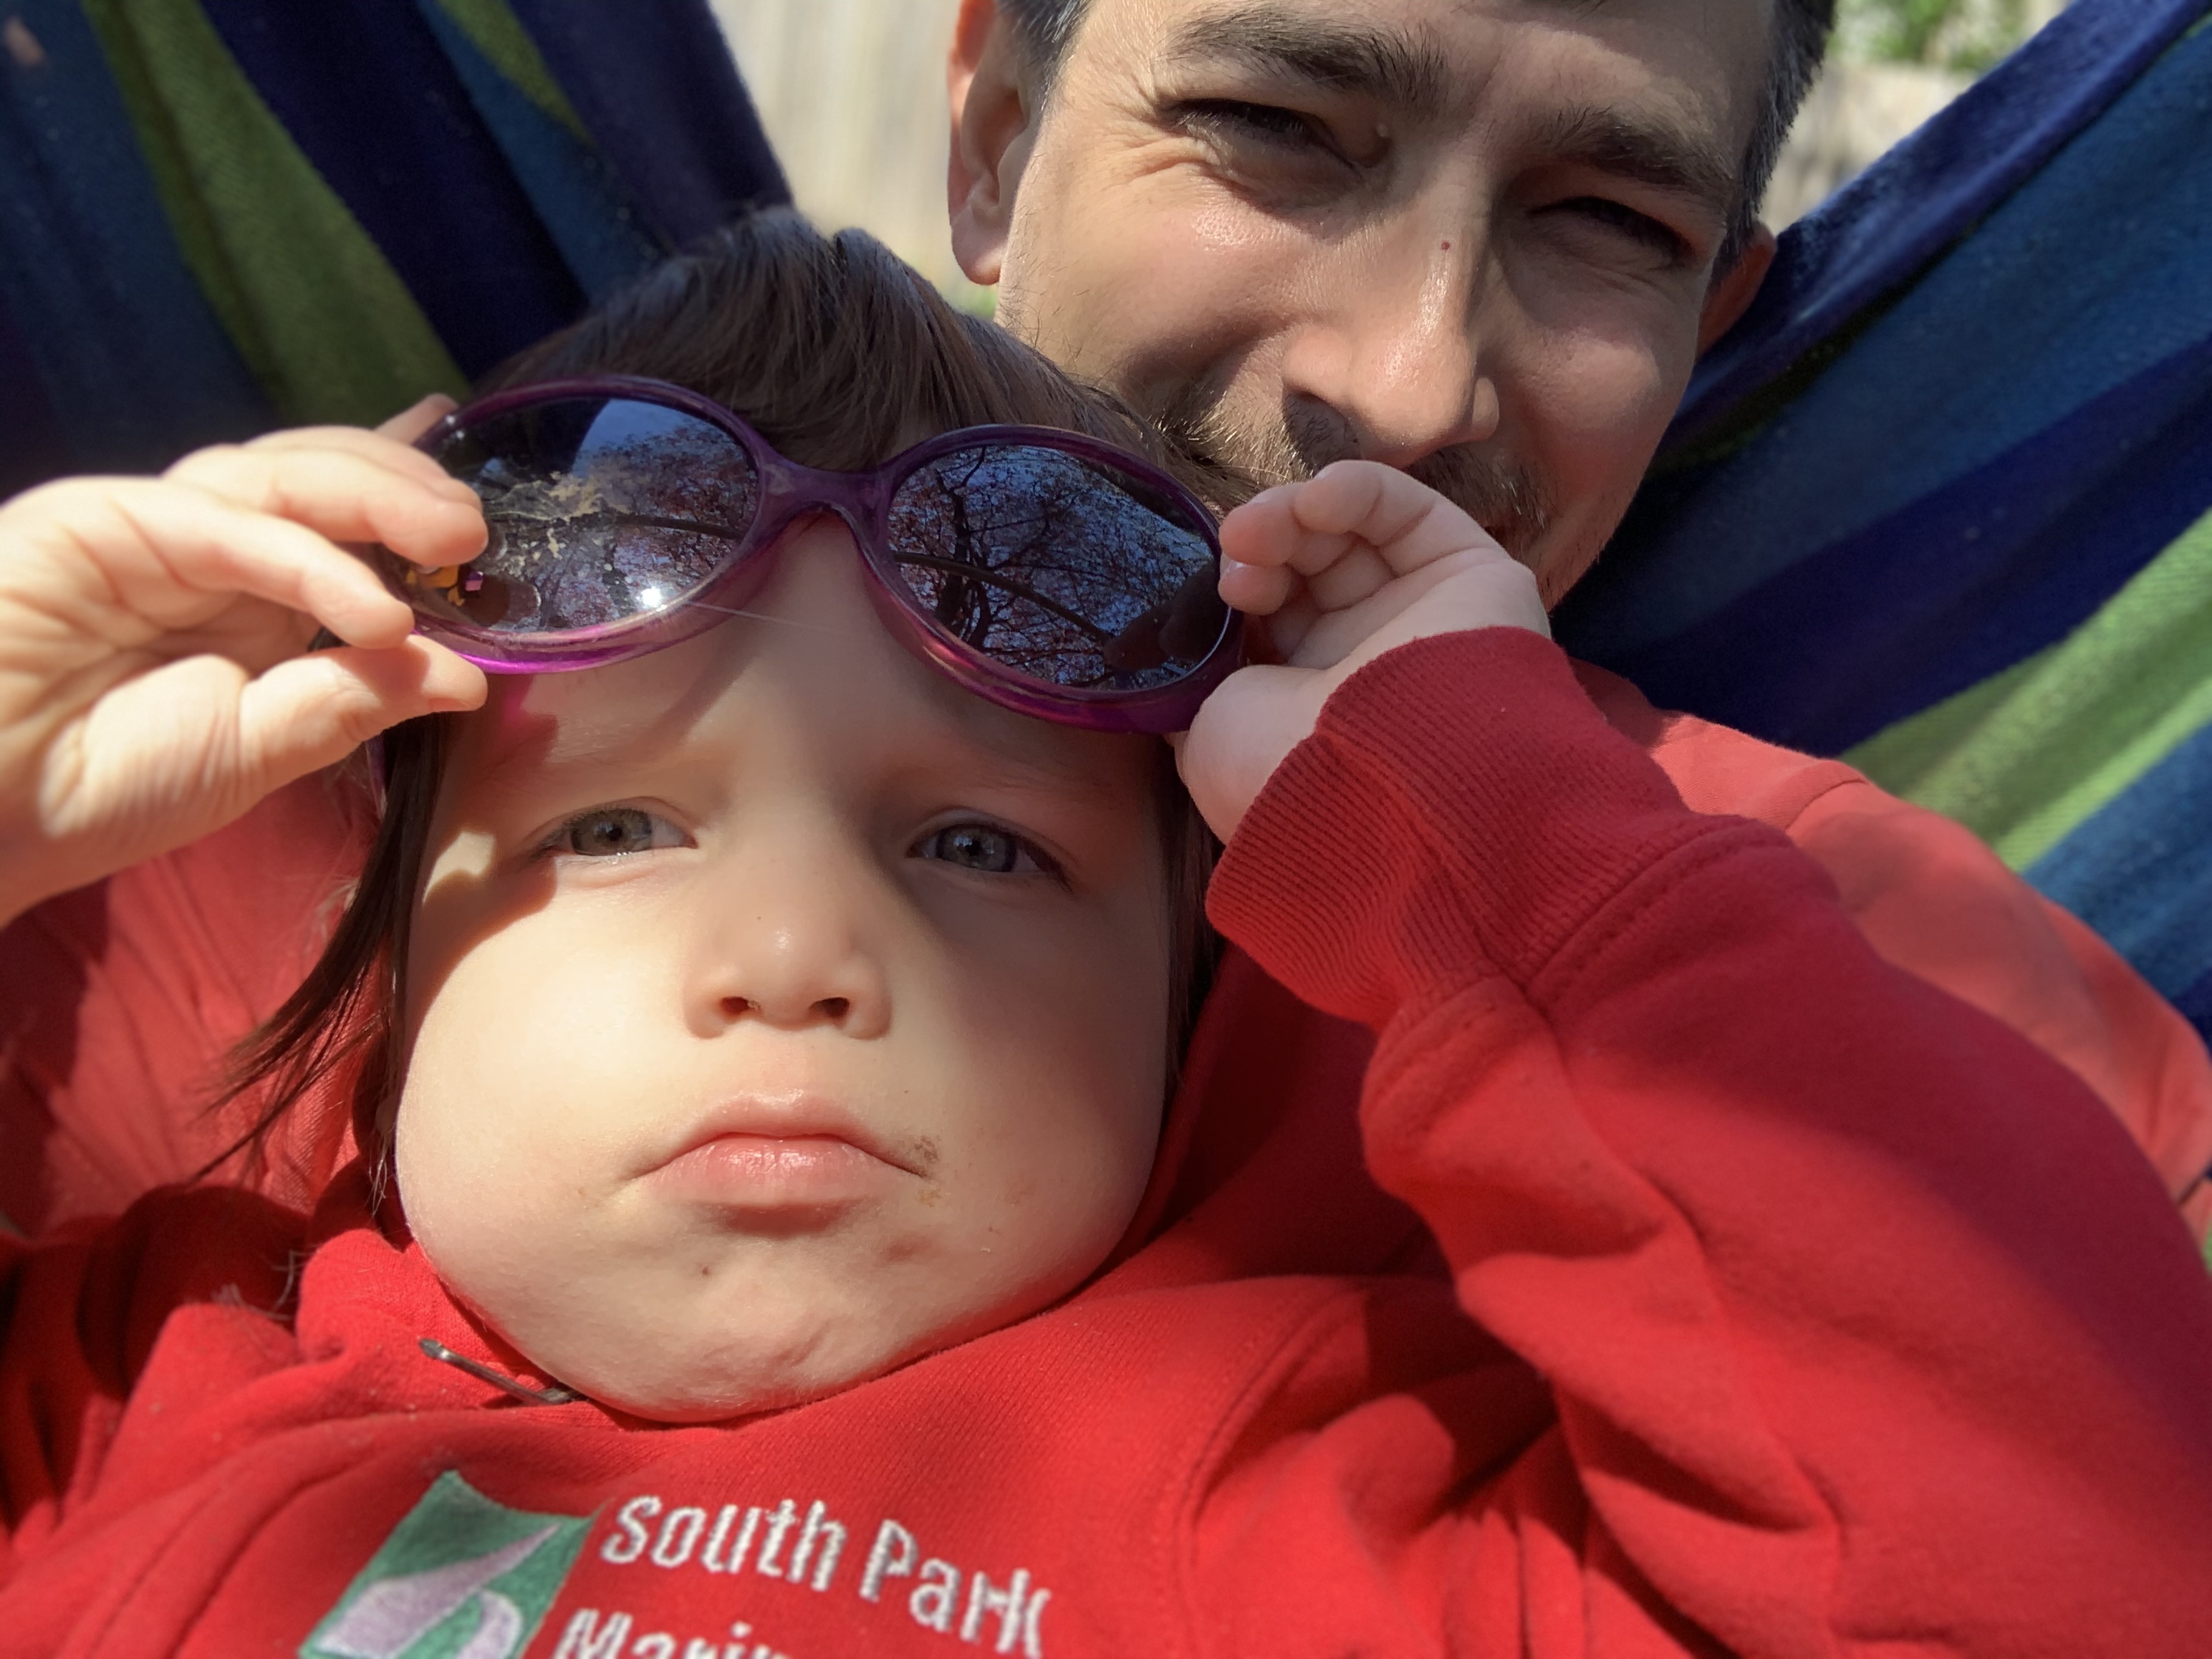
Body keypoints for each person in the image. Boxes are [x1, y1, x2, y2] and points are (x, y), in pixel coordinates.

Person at [2, 211, 2208, 1659]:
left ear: (1185, 1005)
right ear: (386, 978)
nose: (794, 951)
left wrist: (1503, 849)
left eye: (978, 846)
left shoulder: (1344, 1487)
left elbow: (2057, 1554)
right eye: (620, 825)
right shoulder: (132, 1382)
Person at [3, 0, 2206, 1241]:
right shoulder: (302, 789)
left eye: (1609, 221)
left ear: (1715, 315)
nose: (1410, 383)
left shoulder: (1855, 969)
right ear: (990, 133)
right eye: (1278, 127)